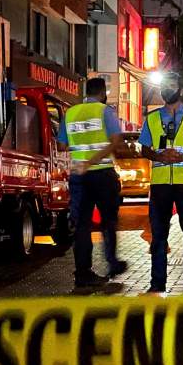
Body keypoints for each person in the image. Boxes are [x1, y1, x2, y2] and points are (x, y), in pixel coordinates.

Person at [139, 72, 183, 293]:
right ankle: (157, 284)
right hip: (160, 185)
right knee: (159, 235)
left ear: (181, 90)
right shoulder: (151, 118)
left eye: (172, 85)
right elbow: (144, 148)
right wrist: (159, 156)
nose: (167, 89)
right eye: (165, 85)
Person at [61, 77, 127, 288]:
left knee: (82, 224)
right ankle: (112, 263)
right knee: (108, 221)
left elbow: (62, 144)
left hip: (79, 176)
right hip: (101, 174)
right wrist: (93, 159)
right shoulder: (104, 111)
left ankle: (82, 273)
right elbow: (116, 140)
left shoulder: (70, 113)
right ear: (102, 93)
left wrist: (82, 156)